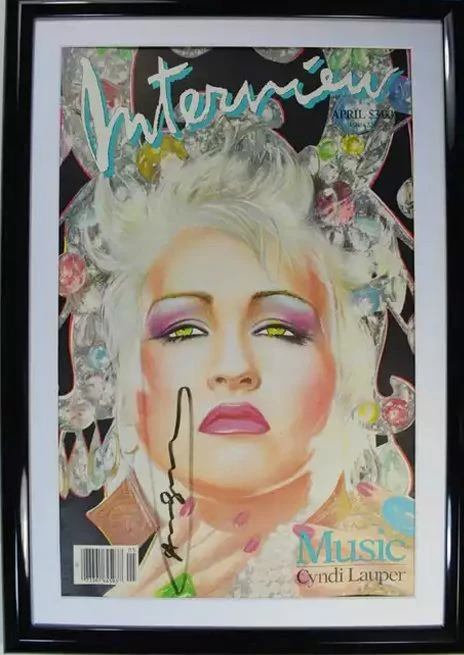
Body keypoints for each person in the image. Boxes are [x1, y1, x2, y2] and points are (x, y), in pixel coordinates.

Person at [73, 118, 414, 598]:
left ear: (342, 364)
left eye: (279, 328)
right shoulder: (82, 582)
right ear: (131, 375)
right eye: (184, 330)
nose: (234, 368)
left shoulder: (405, 570)